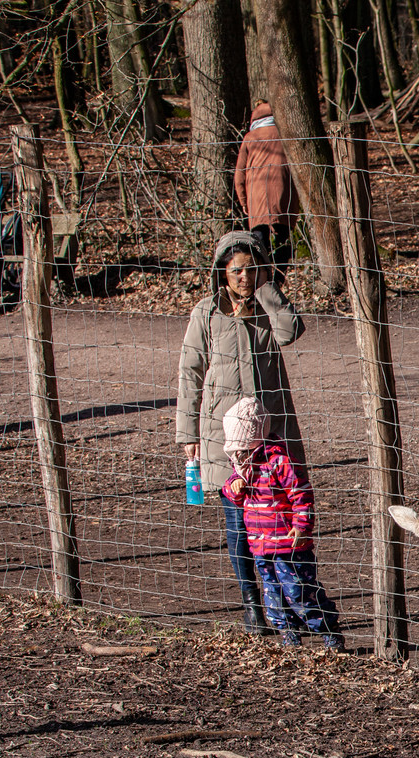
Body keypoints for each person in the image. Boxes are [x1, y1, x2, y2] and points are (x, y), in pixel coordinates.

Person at [177, 231, 304, 634]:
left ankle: (287, 604)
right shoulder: (206, 313)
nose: (244, 277)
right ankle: (252, 605)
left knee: (279, 521)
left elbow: (290, 331)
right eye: (236, 271)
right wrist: (188, 432)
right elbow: (190, 372)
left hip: (271, 431)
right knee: (237, 523)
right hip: (221, 436)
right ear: (222, 273)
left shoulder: (269, 308)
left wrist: (269, 290)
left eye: (251, 269)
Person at [219, 398, 343, 650]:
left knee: (299, 590)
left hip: (288, 544)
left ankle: (328, 630)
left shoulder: (279, 460)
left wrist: (301, 525)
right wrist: (234, 488)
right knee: (273, 593)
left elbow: (301, 493)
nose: (237, 449)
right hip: (260, 544)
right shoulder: (242, 464)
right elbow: (232, 494)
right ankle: (287, 632)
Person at [233, 102, 295, 273]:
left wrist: (244, 201)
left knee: (259, 240)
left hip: (256, 199)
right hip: (284, 196)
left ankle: (262, 277)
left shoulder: (250, 138)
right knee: (282, 238)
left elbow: (239, 174)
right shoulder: (287, 136)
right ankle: (279, 278)